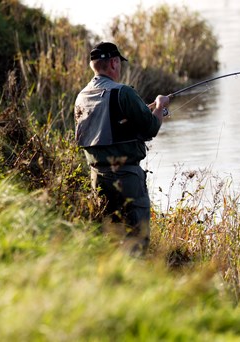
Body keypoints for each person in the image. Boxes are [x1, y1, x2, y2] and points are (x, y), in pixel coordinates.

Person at [74, 42, 170, 255]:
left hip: (97, 177)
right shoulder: (123, 92)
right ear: (114, 63)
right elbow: (151, 128)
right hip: (127, 178)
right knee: (136, 240)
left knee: (111, 238)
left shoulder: (82, 96)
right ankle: (134, 283)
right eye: (119, 63)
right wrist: (160, 105)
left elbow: (108, 126)